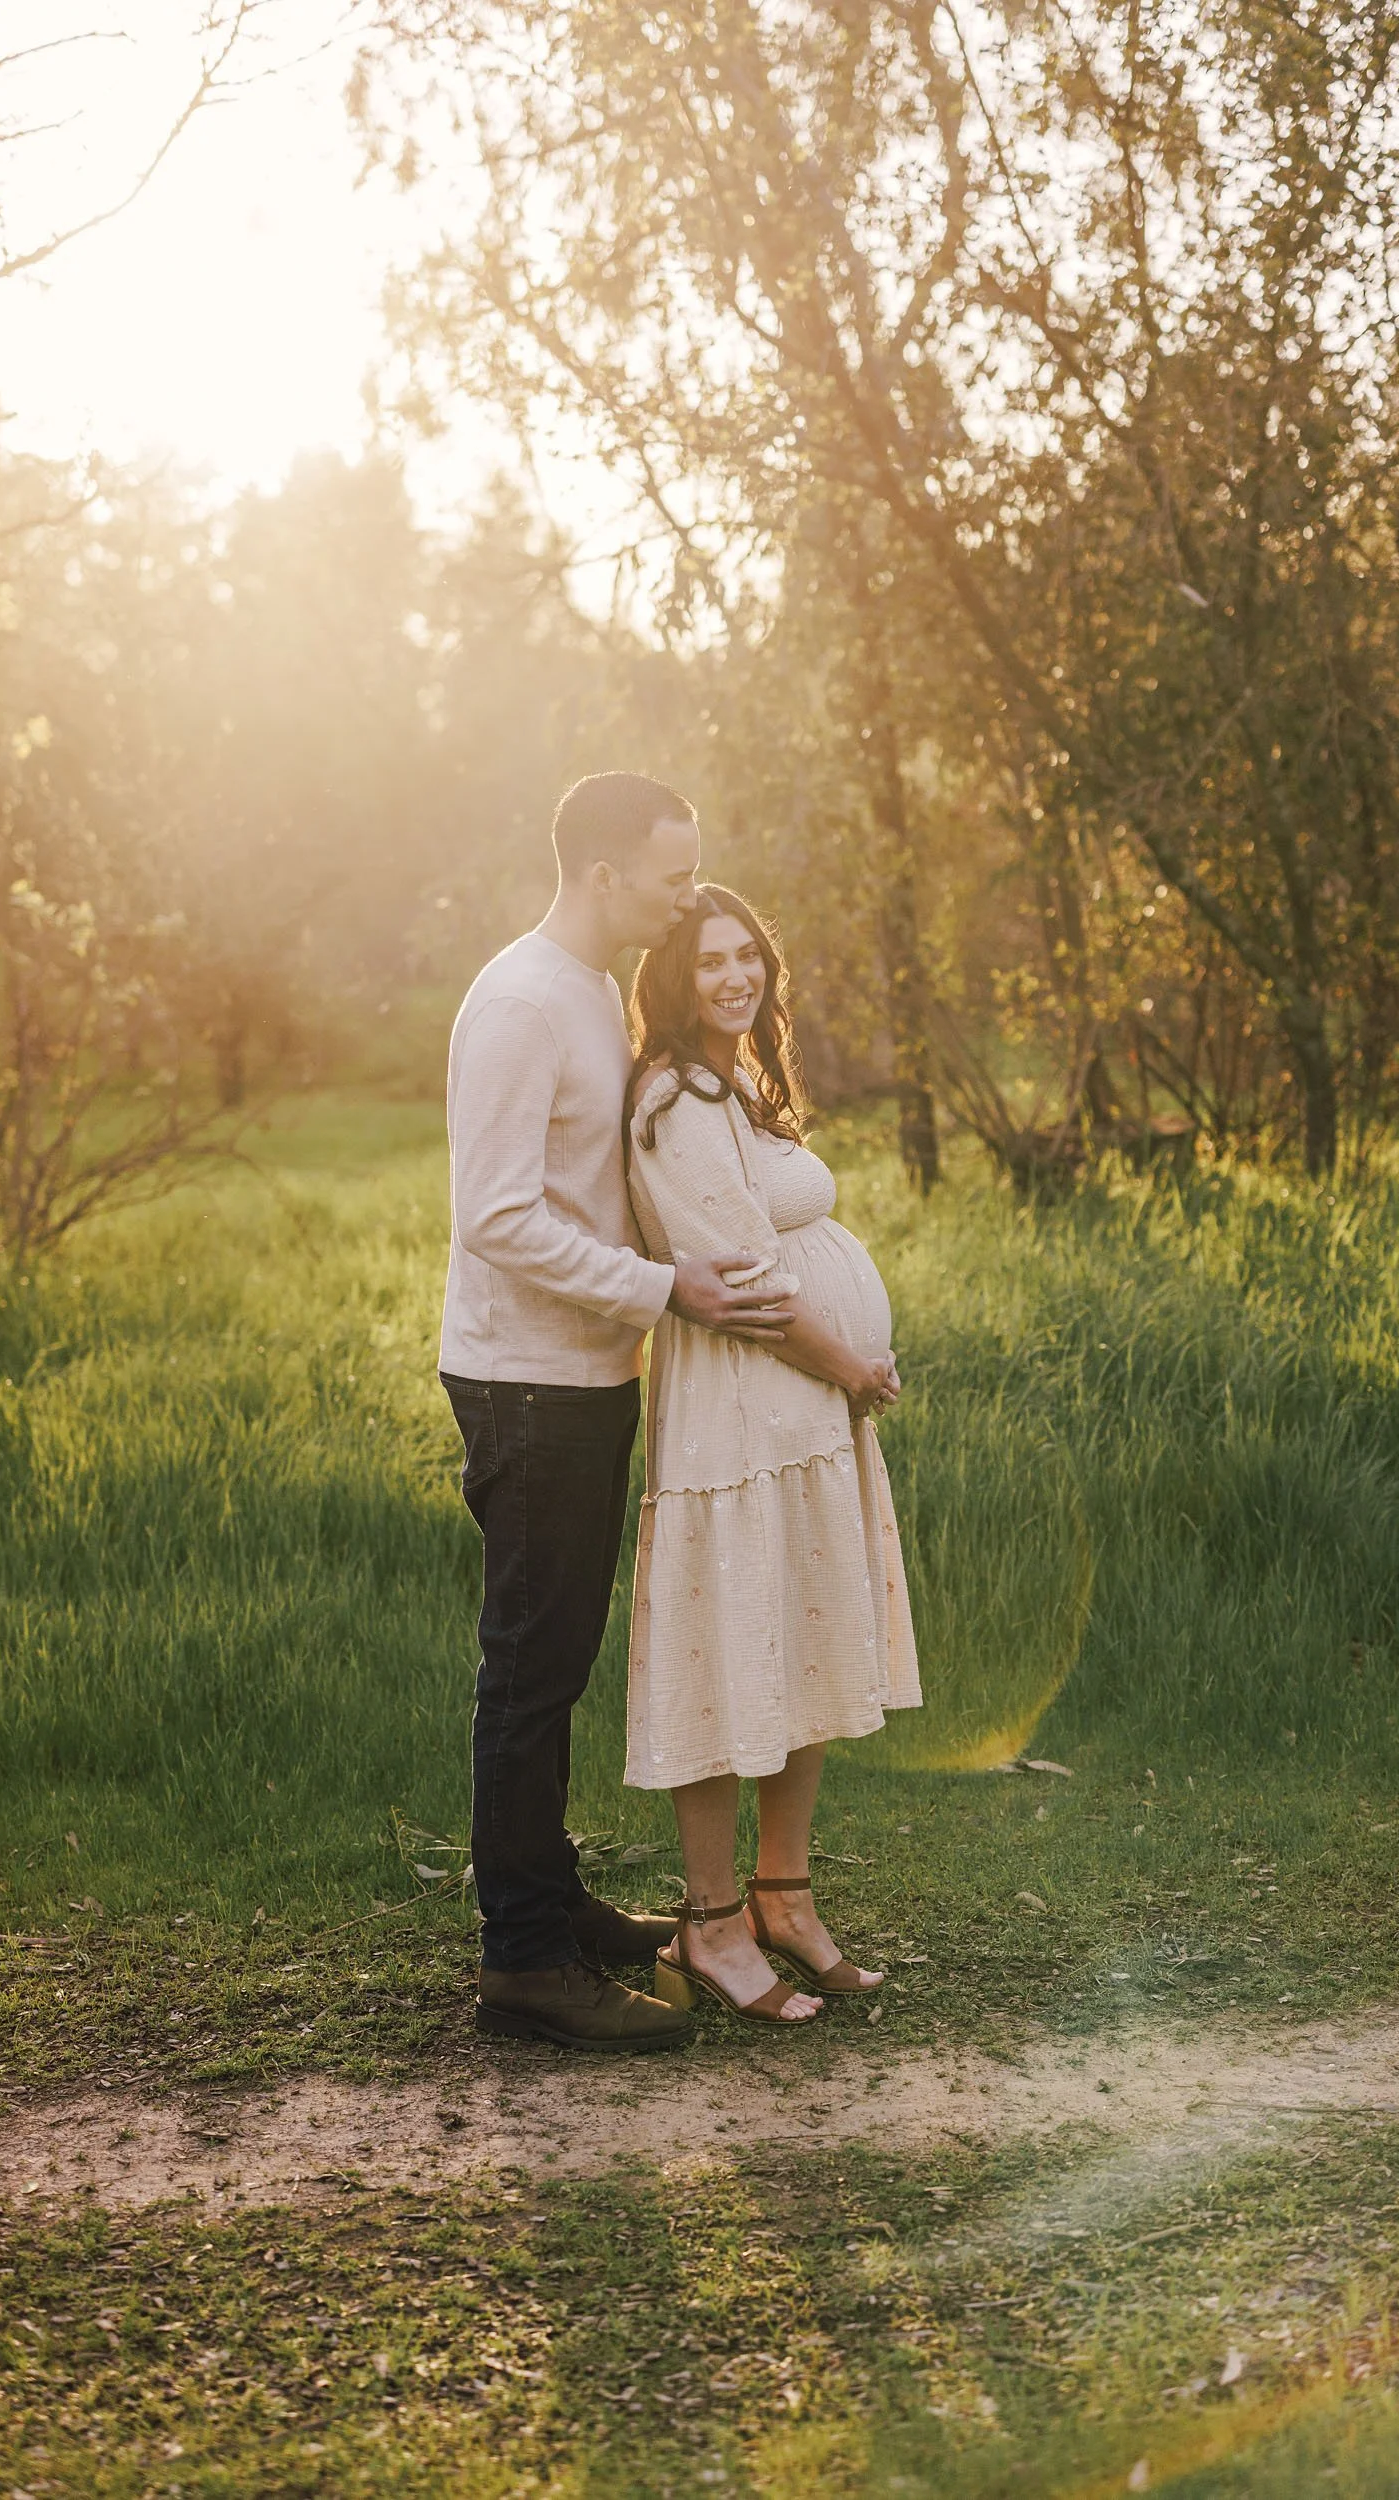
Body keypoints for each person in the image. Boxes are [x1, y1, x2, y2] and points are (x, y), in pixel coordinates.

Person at [439, 776, 795, 2053]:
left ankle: (553, 1901)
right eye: (668, 878)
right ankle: (523, 1962)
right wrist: (663, 1287)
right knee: (529, 1671)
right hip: (525, 1381)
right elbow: (493, 1215)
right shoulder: (521, 1003)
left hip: (583, 1376)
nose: (687, 898)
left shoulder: (591, 992)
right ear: (602, 874)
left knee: (559, 1661)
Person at [623, 886, 922, 2027]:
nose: (735, 977)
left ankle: (781, 1899)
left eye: (748, 955)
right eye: (709, 961)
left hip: (795, 1419)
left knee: (792, 1644)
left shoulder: (738, 1078)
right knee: (725, 1652)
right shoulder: (672, 1102)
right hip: (742, 1417)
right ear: (671, 977)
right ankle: (706, 1923)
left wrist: (843, 1371)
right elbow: (737, 1280)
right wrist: (848, 1362)